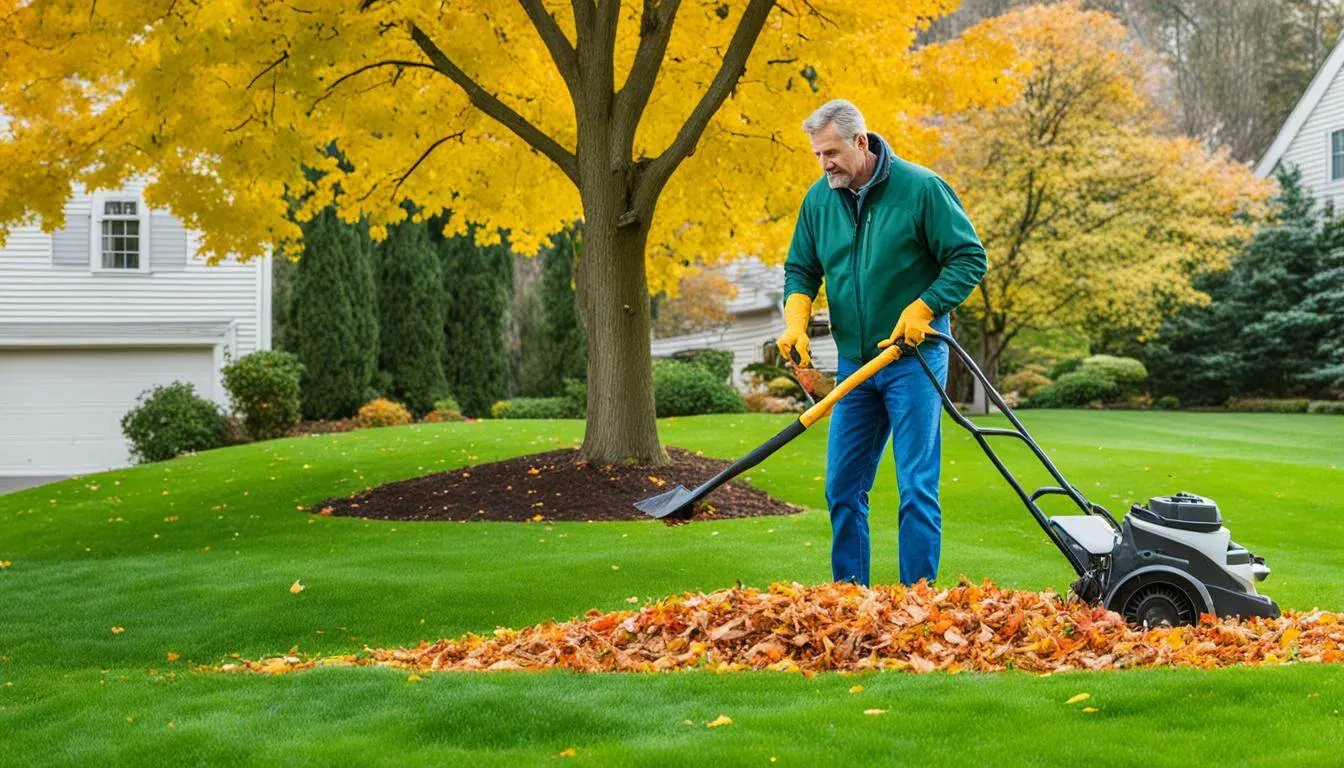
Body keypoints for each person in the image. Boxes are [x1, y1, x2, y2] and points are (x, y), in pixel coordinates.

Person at [776, 99, 987, 587]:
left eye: (831, 152)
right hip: (856, 362)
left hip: (915, 358)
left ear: (860, 142)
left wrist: (925, 307)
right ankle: (850, 600)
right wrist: (796, 321)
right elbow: (801, 268)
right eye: (817, 155)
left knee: (915, 486)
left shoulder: (921, 190)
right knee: (843, 488)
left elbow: (968, 258)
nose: (824, 163)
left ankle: (919, 604)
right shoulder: (819, 201)